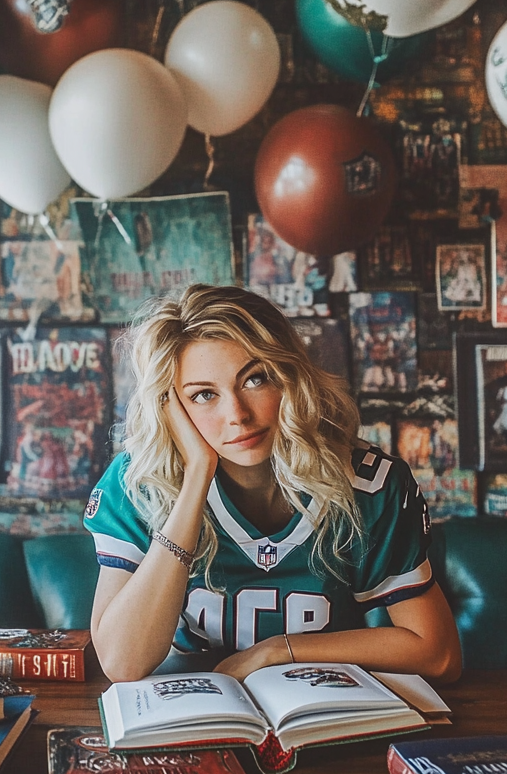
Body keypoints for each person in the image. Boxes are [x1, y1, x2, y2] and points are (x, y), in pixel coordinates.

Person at [84, 284, 461, 684]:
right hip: (191, 710)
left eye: (255, 379)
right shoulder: (138, 484)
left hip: (322, 709)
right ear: (169, 406)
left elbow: (439, 655)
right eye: (203, 395)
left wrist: (276, 651)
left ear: (290, 376)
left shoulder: (368, 484)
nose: (237, 415)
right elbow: (122, 664)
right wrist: (196, 475)